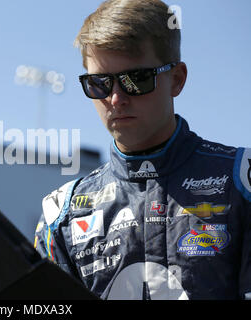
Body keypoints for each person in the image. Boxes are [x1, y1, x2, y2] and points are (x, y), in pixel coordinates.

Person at [34, 0, 251, 300]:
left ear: (177, 79)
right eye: (99, 83)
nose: (115, 98)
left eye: (135, 80)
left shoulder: (241, 182)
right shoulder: (62, 216)